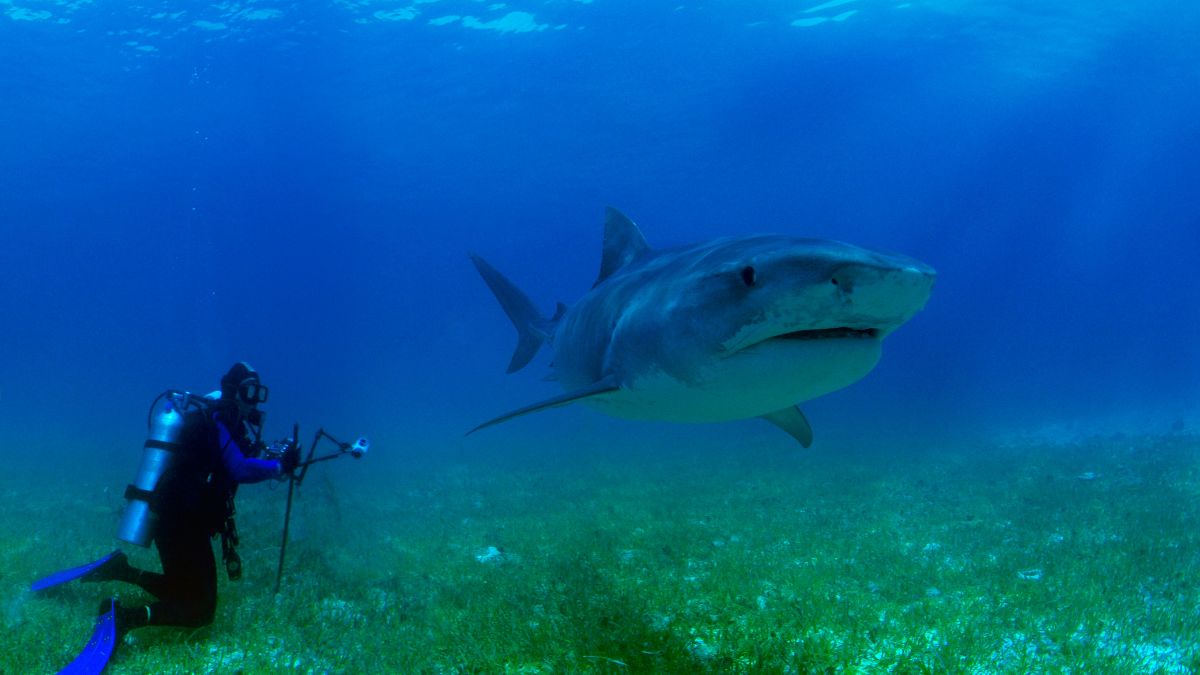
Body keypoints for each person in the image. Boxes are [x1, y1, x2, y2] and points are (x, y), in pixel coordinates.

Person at [82, 361, 300, 638]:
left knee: (182, 586)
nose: (254, 401)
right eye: (248, 392)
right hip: (181, 521)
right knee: (201, 610)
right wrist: (279, 467)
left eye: (258, 393)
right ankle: (123, 618)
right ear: (233, 392)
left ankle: (121, 570)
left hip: (175, 518)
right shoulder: (218, 420)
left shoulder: (226, 424)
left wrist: (276, 458)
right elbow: (239, 468)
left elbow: (241, 458)